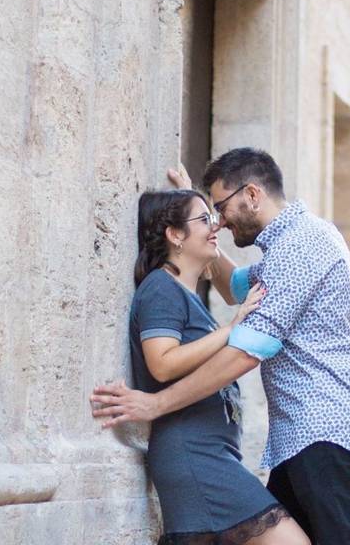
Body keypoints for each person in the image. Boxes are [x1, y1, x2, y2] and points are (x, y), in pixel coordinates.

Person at [93, 148, 350, 545]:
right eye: (211, 215)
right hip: (302, 434)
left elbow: (246, 351)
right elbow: (232, 287)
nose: (220, 222)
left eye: (221, 208)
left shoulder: (302, 245)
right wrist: (190, 214)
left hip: (322, 427)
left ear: (252, 195)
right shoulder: (288, 248)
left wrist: (156, 404)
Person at [125, 188, 310, 545]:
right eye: (203, 220)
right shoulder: (162, 288)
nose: (215, 228)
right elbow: (161, 364)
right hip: (195, 455)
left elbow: (229, 285)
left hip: (212, 453)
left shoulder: (184, 293)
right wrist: (231, 329)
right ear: (174, 234)